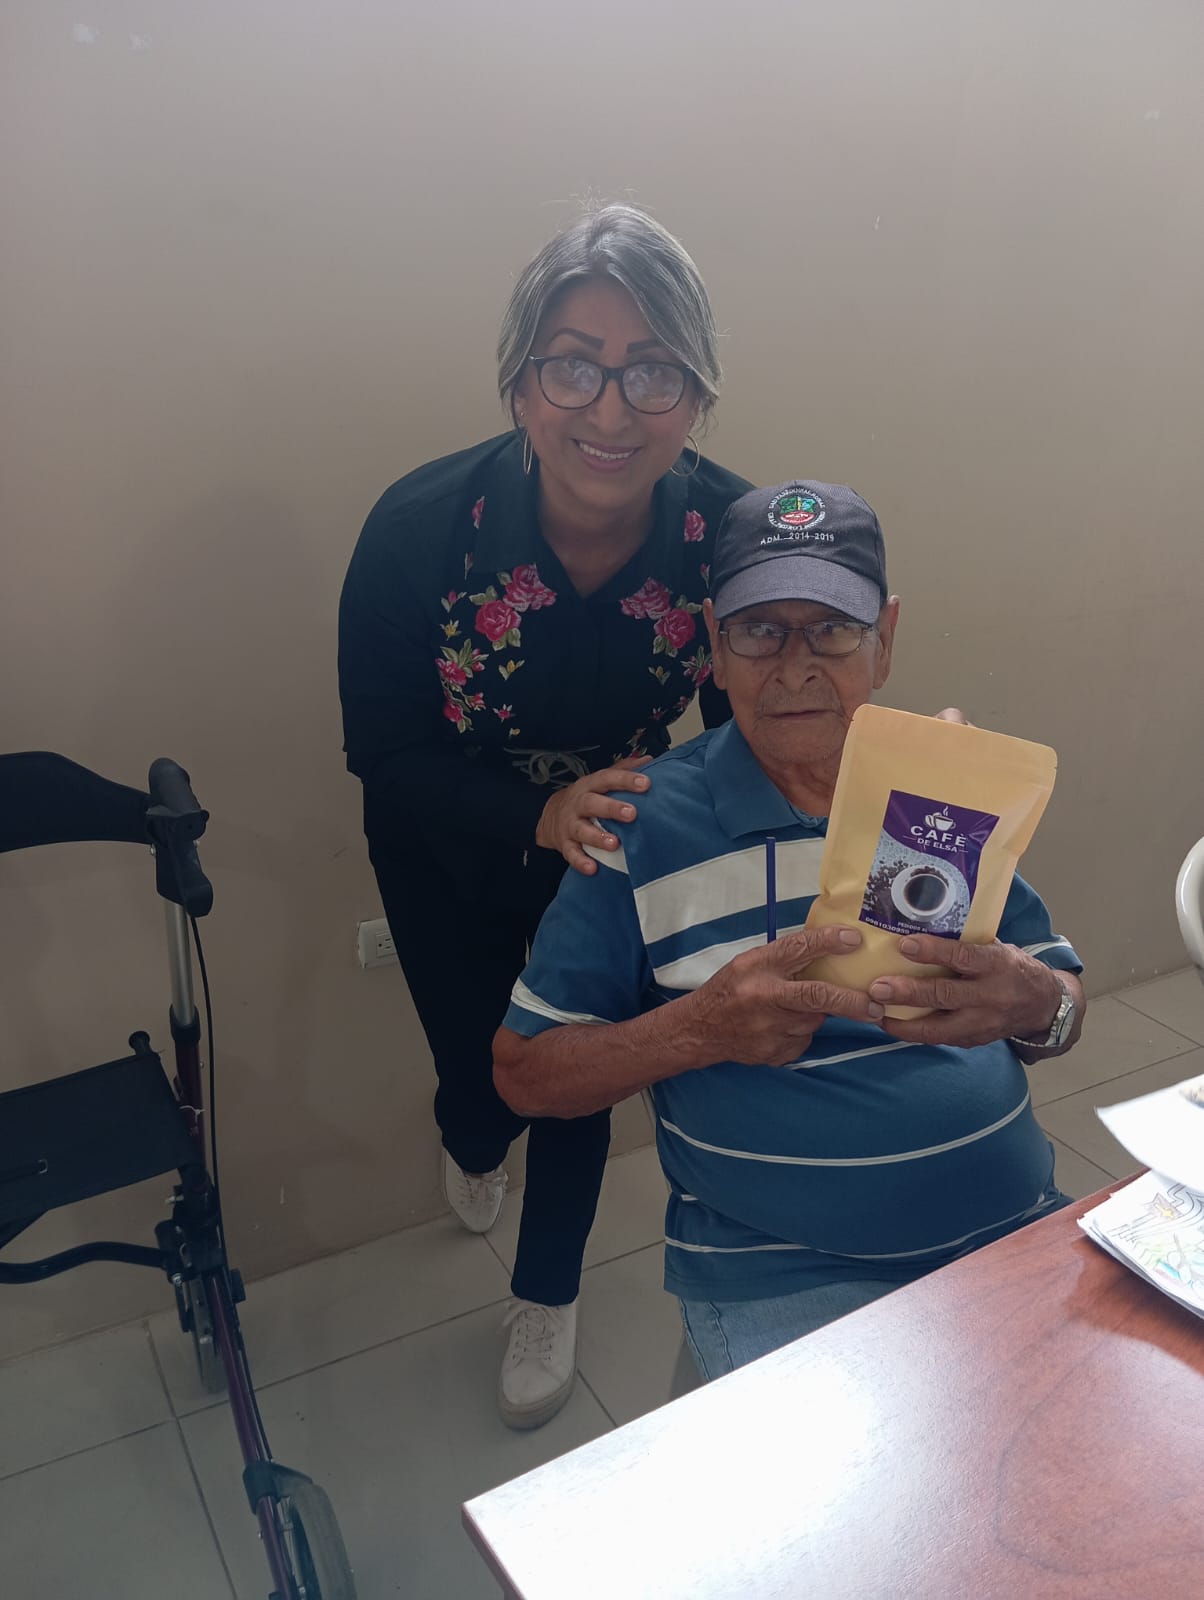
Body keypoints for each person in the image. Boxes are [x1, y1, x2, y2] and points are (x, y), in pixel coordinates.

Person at [493, 479, 1086, 1379]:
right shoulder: (638, 828)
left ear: (884, 640)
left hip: (1017, 1228)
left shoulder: (939, 789)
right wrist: (700, 1029)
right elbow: (524, 1075)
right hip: (788, 1276)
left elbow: (1062, 1003)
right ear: (713, 645)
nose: (796, 666)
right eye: (760, 630)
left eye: (834, 629)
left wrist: (1041, 1005)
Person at [337, 206, 752, 1428]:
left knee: (578, 1071)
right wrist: (535, 813)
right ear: (521, 382)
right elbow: (382, 754)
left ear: (695, 395)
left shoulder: (724, 539)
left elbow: (748, 715)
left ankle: (546, 1289)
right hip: (445, 840)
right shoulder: (418, 531)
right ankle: (469, 1139)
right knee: (481, 1083)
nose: (610, 409)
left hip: (618, 839)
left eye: (652, 371)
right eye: (574, 364)